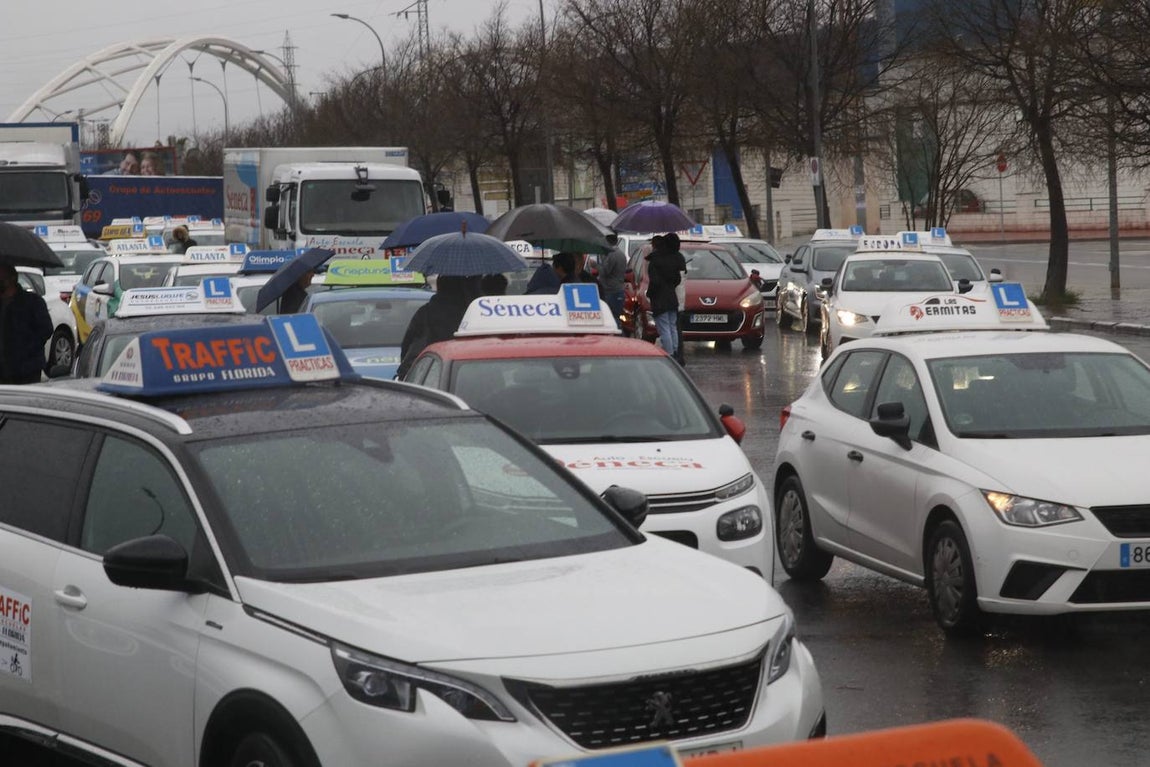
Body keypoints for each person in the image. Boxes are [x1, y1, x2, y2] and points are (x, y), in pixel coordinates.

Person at [397, 275, 481, 378]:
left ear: (440, 287)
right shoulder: (471, 312)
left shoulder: (426, 312)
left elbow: (408, 343)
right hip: (466, 370)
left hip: (432, 367)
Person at [0, 265, 53, 384]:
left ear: (11, 279)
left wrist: (27, 349)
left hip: (26, 370)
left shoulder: (32, 302)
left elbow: (46, 330)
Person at [645, 235, 681, 359]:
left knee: (664, 328)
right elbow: (677, 279)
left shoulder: (654, 262)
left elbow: (654, 282)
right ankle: (675, 351)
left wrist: (650, 293)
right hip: (672, 297)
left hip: (660, 299)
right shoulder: (673, 259)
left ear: (654, 246)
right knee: (672, 326)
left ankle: (669, 354)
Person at [597, 233, 627, 328]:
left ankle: (617, 338)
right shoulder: (621, 254)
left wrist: (595, 266)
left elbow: (605, 271)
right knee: (616, 317)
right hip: (619, 290)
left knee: (611, 318)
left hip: (610, 291)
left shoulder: (611, 254)